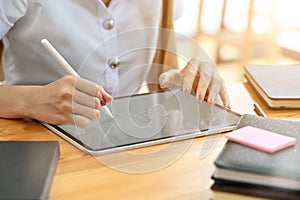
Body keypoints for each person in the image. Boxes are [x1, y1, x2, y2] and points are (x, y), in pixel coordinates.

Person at [0, 0, 230, 128]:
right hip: (34, 141)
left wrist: (184, 83)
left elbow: (161, 78)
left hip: (124, 144)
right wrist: (33, 100)